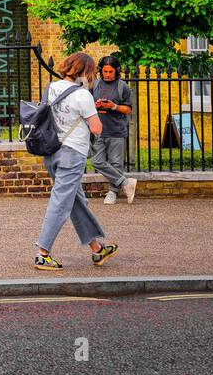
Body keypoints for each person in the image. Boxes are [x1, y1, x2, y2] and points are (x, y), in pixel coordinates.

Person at [34, 52, 119, 271]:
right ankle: (43, 253)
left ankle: (97, 249)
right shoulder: (83, 95)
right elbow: (96, 128)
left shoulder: (51, 87)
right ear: (84, 72)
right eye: (91, 72)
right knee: (61, 202)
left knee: (74, 201)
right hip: (72, 154)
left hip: (51, 150)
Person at [90, 54, 137, 204]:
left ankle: (112, 192)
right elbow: (87, 105)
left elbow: (128, 110)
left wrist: (113, 106)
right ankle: (125, 182)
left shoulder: (122, 86)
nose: (108, 74)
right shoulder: (95, 85)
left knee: (116, 163)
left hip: (116, 130)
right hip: (98, 130)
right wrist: (96, 106)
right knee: (96, 161)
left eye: (110, 72)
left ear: (116, 71)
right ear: (100, 71)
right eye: (105, 71)